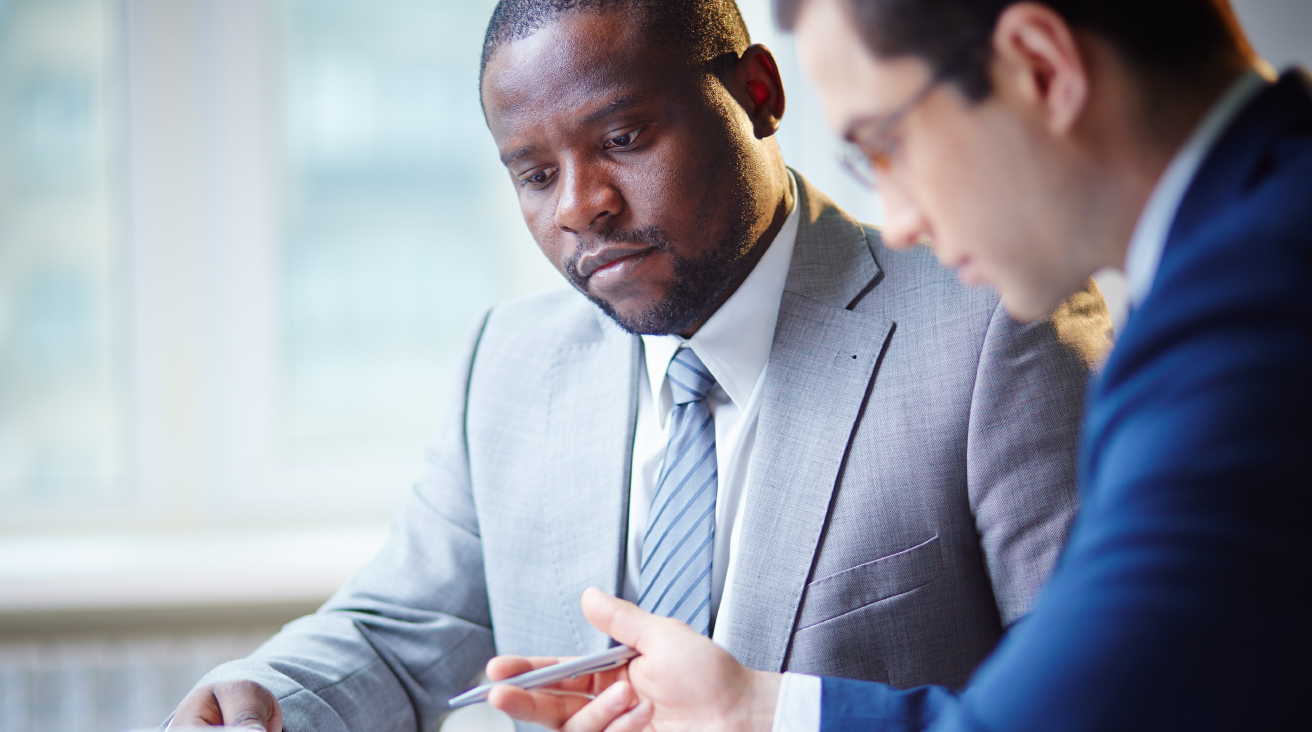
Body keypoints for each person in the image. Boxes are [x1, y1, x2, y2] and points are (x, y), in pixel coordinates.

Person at [167, 1, 1109, 730]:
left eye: (623, 139)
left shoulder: (996, 322)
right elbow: (402, 630)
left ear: (757, 95)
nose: (582, 206)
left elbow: (1105, 690)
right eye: (535, 175)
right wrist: (262, 693)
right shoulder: (511, 362)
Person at [482, 0, 1312, 730]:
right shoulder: (1244, 256)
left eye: (887, 144)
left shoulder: (1248, 315)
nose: (902, 221)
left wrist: (758, 715)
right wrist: (748, 709)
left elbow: (1097, 710)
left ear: (1041, 67)